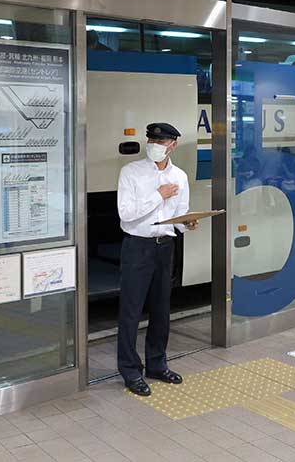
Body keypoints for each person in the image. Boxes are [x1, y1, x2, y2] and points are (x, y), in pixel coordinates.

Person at [116, 122, 198, 396]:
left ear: (173, 145)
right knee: (131, 310)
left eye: (161, 141)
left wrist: (188, 224)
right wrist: (157, 195)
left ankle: (156, 365)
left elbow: (180, 214)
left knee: (162, 310)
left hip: (166, 247)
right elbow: (126, 214)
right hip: (137, 246)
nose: (155, 145)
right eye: (152, 139)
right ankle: (130, 370)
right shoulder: (131, 172)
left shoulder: (180, 176)